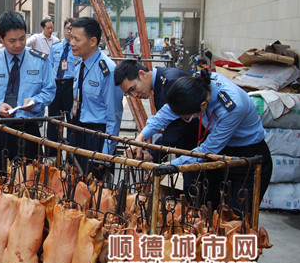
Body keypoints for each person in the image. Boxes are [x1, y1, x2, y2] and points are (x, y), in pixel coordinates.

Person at [132, 69, 272, 212]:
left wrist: (168, 166)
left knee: (239, 216)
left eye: (187, 118)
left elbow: (207, 150)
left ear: (203, 106)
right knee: (207, 209)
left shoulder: (232, 107)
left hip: (247, 156)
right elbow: (166, 113)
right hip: (221, 154)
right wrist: (140, 138)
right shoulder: (197, 87)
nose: (185, 119)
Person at [0, 11, 56, 175]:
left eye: (22, 39)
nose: (18, 44)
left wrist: (34, 102)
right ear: (1, 38)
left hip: (29, 129)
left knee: (30, 183)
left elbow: (49, 90)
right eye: (12, 41)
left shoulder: (40, 60)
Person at [113, 59, 199, 162]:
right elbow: (162, 118)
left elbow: (180, 126)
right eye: (129, 94)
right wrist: (140, 138)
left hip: (201, 148)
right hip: (190, 150)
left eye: (133, 89)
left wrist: (153, 153)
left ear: (141, 74)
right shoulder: (160, 83)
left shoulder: (171, 82)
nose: (134, 95)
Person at [69, 17, 124, 175]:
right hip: (76, 130)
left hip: (96, 137)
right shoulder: (79, 64)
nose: (72, 42)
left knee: (94, 190)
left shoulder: (108, 71)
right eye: (71, 37)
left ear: (93, 41)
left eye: (76, 39)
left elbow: (114, 116)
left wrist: (105, 153)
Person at [46, 17, 79, 155]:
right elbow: (50, 66)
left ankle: (72, 155)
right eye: (67, 28)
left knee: (72, 120)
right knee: (53, 119)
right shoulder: (56, 47)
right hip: (56, 85)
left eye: (72, 29)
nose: (69, 32)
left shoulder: (77, 49)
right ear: (64, 29)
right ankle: (51, 154)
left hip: (70, 86)